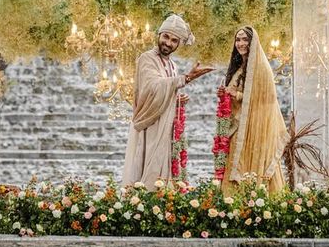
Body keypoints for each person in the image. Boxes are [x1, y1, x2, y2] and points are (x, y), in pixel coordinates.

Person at [122, 14, 213, 190]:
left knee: (163, 176)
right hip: (150, 125)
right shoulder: (147, 58)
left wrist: (176, 100)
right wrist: (186, 78)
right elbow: (152, 87)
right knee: (149, 171)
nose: (168, 43)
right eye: (166, 37)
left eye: (174, 40)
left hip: (166, 127)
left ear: (178, 44)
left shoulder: (172, 65)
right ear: (159, 34)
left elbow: (165, 91)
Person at [217, 26, 289, 194]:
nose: (240, 43)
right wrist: (226, 95)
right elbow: (236, 97)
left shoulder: (261, 68)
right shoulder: (240, 67)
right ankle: (232, 209)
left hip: (254, 128)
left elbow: (267, 98)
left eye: (244, 40)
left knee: (250, 169)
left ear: (252, 42)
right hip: (238, 126)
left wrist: (238, 95)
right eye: (238, 39)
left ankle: (254, 207)